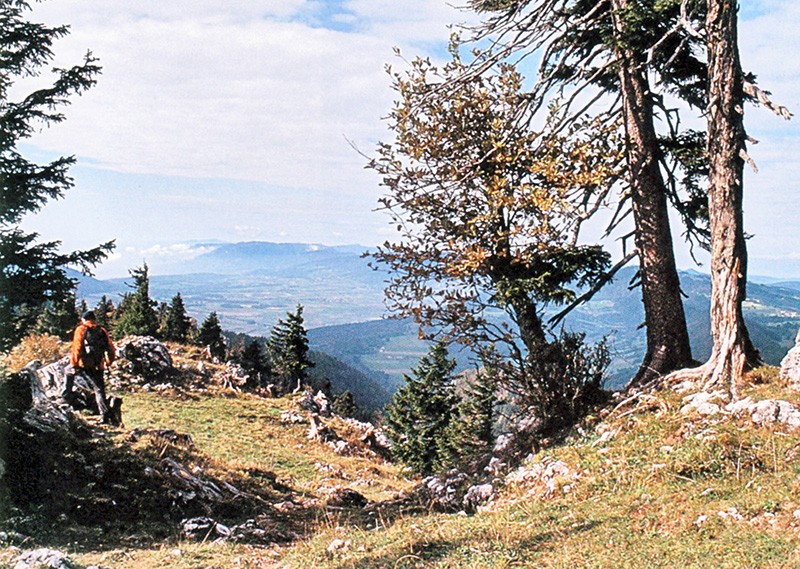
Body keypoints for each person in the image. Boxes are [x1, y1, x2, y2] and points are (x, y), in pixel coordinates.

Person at [65, 310, 117, 424]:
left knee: (67, 372)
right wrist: (108, 362)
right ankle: (104, 416)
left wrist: (73, 364)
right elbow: (111, 349)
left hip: (83, 364)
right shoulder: (101, 330)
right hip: (98, 365)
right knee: (99, 390)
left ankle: (65, 398)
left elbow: (77, 348)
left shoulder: (81, 329)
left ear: (84, 319)